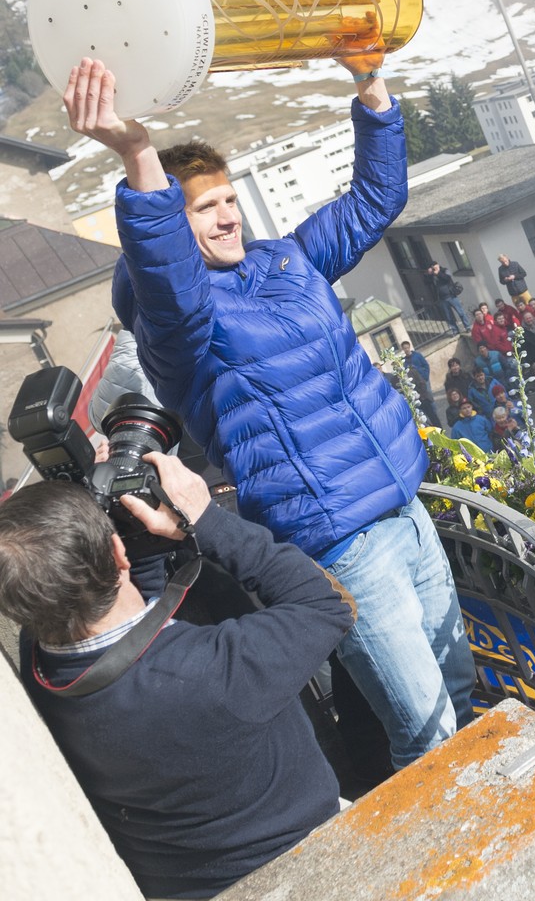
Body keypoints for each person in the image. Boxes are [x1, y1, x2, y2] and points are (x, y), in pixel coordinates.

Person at [70, 55, 474, 769]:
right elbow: (166, 280)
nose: (226, 215)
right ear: (170, 223)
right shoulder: (180, 324)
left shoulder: (284, 261)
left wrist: (370, 84)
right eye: (203, 207)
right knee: (427, 729)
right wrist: (137, 154)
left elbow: (375, 201)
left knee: (459, 693)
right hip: (341, 539)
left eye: (229, 199)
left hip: (404, 507)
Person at [0, 452, 355, 899]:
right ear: (117, 554)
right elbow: (326, 605)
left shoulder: (40, 666)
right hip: (305, 856)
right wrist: (205, 518)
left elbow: (128, 613)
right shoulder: (213, 674)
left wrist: (141, 539)